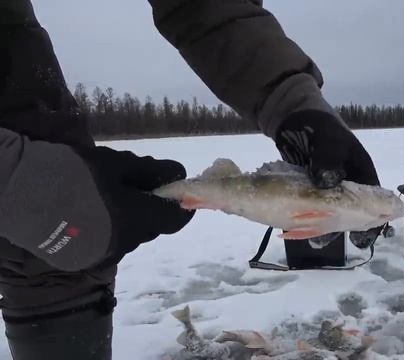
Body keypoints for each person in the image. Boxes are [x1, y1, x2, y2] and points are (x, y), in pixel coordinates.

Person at [0, 1, 383, 359]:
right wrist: (23, 185)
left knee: (59, 257)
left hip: (15, 54)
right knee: (47, 245)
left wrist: (291, 100)